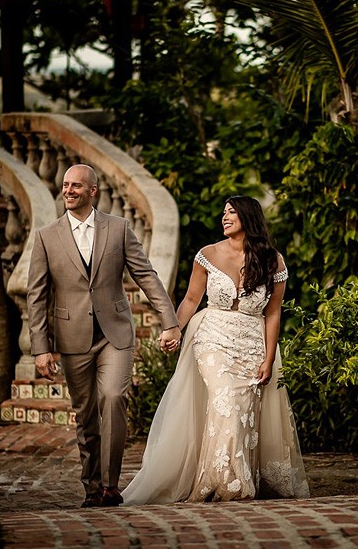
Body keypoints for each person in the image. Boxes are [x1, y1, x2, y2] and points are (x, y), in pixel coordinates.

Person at [122, 195, 309, 504]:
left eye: (231, 212)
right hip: (212, 337)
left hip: (252, 341)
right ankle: (228, 482)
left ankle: (220, 475)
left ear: (247, 217)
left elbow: (273, 312)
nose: (224, 217)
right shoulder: (207, 255)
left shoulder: (272, 260)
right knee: (227, 398)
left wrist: (269, 356)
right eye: (223, 213)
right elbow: (192, 300)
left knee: (244, 408)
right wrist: (174, 328)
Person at [27, 164, 181, 509]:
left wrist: (169, 321)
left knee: (113, 398)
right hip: (72, 338)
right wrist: (41, 347)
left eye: (76, 186)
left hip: (115, 333)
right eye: (65, 185)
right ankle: (91, 487)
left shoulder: (119, 228)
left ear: (92, 191)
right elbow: (36, 296)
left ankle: (111, 486)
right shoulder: (46, 236)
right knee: (85, 415)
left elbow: (146, 275)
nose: (68, 190)